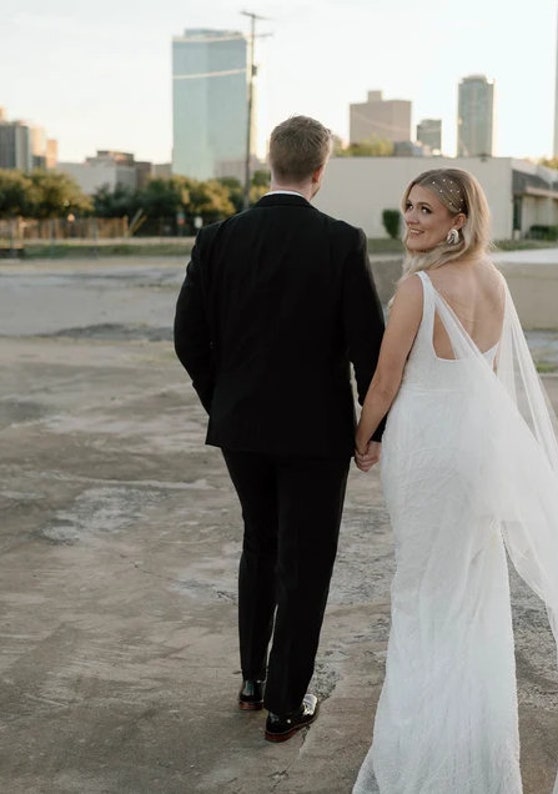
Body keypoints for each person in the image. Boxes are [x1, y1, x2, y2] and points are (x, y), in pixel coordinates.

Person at [351, 168, 558, 792]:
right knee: (472, 599)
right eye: (407, 206)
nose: (410, 219)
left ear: (458, 220)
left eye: (426, 210)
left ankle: (420, 762)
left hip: (428, 456)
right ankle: (478, 761)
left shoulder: (420, 288)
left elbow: (383, 383)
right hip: (477, 452)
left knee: (422, 598)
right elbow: (488, 375)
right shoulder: (495, 281)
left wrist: (361, 439)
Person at [173, 115, 386, 743]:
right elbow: (367, 347)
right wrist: (373, 430)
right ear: (320, 172)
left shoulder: (216, 238)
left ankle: (253, 682)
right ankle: (286, 705)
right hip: (316, 433)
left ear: (271, 163)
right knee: (306, 560)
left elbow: (189, 339)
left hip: (240, 428)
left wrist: (224, 401)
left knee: (260, 544)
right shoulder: (341, 242)